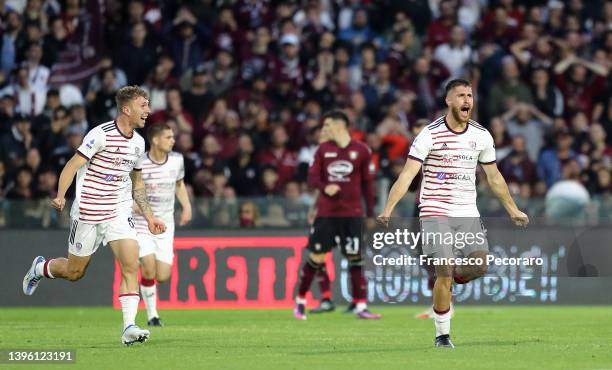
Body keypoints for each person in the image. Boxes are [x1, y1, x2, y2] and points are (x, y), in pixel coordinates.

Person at [377, 79, 529, 348]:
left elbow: (494, 178)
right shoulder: (429, 134)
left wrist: (512, 209)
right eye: (460, 95)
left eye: (469, 95)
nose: (467, 100)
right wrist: (388, 209)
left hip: (467, 211)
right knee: (444, 271)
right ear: (448, 101)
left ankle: (445, 281)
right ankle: (442, 335)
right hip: (435, 210)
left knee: (479, 265)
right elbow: (407, 174)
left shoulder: (481, 135)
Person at [22, 86, 167, 346]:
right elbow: (72, 165)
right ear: (126, 109)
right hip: (88, 211)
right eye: (143, 105)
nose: (148, 110)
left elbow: (138, 184)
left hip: (118, 211)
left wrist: (149, 215)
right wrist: (60, 194)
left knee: (130, 265)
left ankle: (129, 327)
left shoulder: (138, 143)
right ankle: (41, 267)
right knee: (75, 271)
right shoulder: (100, 135)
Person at [293, 110, 381, 320]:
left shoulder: (361, 150)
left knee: (355, 258)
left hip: (352, 215)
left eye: (328, 125)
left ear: (340, 126)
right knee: (316, 258)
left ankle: (360, 306)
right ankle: (300, 302)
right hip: (327, 214)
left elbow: (368, 185)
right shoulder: (323, 149)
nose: (325, 129)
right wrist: (325, 187)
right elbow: (312, 178)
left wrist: (370, 213)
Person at [135, 123, 192, 327]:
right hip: (143, 222)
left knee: (163, 276)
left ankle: (148, 298)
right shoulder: (139, 162)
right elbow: (131, 189)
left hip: (166, 225)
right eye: (168, 137)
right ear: (155, 140)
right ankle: (152, 316)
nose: (173, 141)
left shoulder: (177, 160)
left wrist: (186, 207)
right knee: (148, 269)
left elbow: (179, 184)